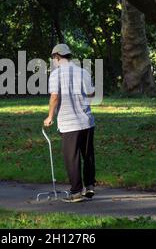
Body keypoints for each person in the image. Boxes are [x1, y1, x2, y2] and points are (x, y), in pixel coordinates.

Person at [44, 44, 96, 203]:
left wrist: (49, 116)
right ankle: (89, 186)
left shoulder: (55, 75)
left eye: (53, 58)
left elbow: (54, 97)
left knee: (71, 157)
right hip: (87, 121)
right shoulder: (83, 72)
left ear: (57, 57)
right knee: (87, 155)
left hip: (69, 123)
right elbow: (91, 92)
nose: (53, 61)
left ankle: (76, 192)